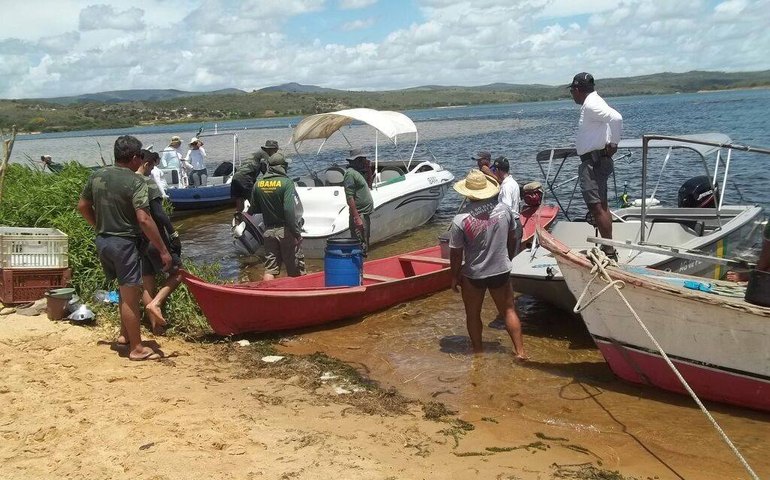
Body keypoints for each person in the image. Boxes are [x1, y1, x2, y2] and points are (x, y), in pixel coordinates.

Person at [77, 135, 171, 361]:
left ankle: (123, 336)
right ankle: (137, 349)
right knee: (130, 296)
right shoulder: (135, 181)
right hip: (125, 244)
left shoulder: (97, 175)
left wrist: (99, 226)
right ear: (136, 157)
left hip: (104, 242)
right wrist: (163, 250)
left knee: (123, 290)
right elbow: (145, 220)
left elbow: (82, 206)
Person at [448, 169, 527, 360]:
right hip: (500, 269)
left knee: (473, 314)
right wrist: (507, 257)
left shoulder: (460, 220)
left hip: (474, 274)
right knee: (508, 310)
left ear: (468, 193)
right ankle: (521, 352)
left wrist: (454, 276)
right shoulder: (504, 210)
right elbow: (512, 237)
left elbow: (456, 253)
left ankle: (478, 353)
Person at [569, 72, 623, 260]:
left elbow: (616, 118)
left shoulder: (591, 104)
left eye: (572, 91)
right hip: (596, 160)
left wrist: (614, 143)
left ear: (577, 89)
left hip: (593, 162)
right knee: (602, 206)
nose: (572, 95)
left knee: (596, 207)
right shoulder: (594, 101)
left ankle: (609, 251)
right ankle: (609, 248)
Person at [136, 149, 183, 334]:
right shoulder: (146, 182)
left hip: (138, 241)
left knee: (148, 281)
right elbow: (159, 213)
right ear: (146, 164)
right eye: (152, 166)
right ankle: (156, 303)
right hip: (154, 238)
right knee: (179, 273)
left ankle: (156, 327)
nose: (152, 170)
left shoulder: (128, 182)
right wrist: (173, 235)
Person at [246, 152, 306, 281]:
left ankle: (267, 296)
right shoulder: (286, 183)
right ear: (282, 166)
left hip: (268, 231)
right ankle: (297, 297)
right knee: (294, 268)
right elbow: (289, 210)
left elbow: (254, 209)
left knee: (270, 268)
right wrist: (296, 233)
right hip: (286, 231)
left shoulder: (258, 184)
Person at [231, 139, 276, 213]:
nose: (275, 153)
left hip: (236, 178)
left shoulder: (256, 153)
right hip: (245, 179)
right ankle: (253, 217)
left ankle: (238, 222)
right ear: (271, 149)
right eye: (275, 151)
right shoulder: (265, 154)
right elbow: (265, 171)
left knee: (239, 204)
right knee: (255, 202)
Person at [344, 149, 374, 256]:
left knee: (365, 242)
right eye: (362, 159)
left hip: (364, 214)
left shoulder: (358, 173)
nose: (364, 161)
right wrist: (356, 217)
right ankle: (359, 270)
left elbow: (369, 185)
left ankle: (364, 267)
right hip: (359, 215)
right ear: (356, 160)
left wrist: (369, 169)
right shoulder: (350, 174)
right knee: (359, 245)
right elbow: (349, 197)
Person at [492, 156, 522, 257]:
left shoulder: (506, 187)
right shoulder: (513, 183)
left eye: (493, 170)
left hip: (510, 227)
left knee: (508, 258)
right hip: (516, 223)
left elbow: (505, 210)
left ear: (497, 170)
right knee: (514, 257)